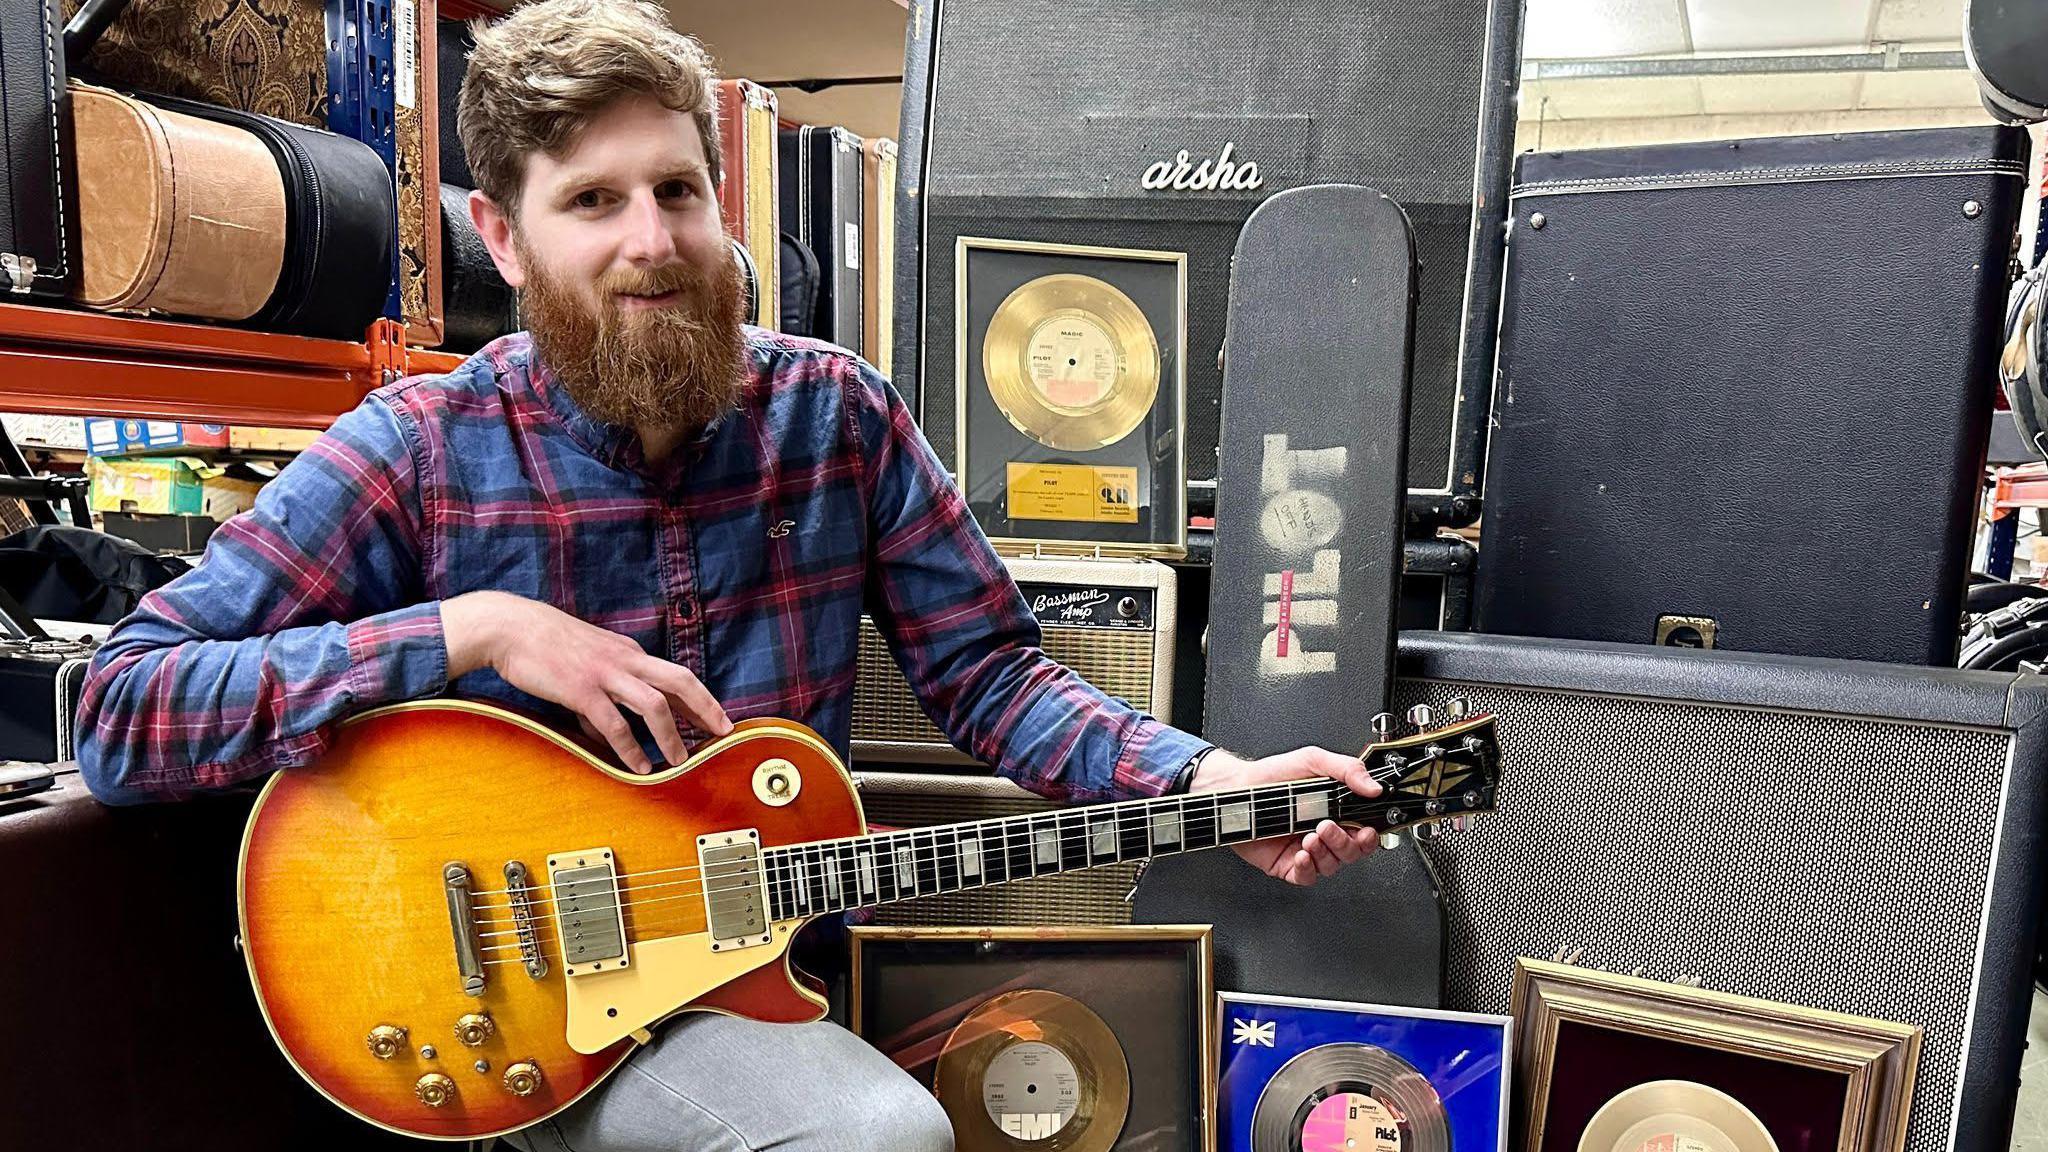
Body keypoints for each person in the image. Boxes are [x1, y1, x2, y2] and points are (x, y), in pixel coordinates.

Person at [74, 1, 1383, 1147]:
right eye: (593, 202)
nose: (653, 241)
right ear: (505, 236)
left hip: (756, 974)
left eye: (678, 190)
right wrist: (473, 630)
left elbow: (992, 677)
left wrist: (1211, 783)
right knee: (875, 1141)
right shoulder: (416, 451)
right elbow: (121, 714)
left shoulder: (837, 414)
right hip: (498, 1012)